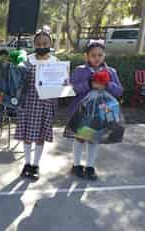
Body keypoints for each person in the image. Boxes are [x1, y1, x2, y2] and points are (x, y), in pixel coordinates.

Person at [64, 40, 123, 181]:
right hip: (82, 111)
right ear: (86, 56)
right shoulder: (80, 70)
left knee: (94, 139)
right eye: (93, 55)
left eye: (100, 55)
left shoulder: (111, 72)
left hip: (101, 112)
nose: (97, 58)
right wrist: (89, 84)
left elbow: (119, 91)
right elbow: (71, 89)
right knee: (80, 137)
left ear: (104, 56)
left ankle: (90, 167)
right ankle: (76, 165)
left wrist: (107, 84)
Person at [14, 29, 59, 181]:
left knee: (40, 136)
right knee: (27, 136)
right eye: (38, 43)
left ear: (50, 44)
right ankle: (26, 164)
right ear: (34, 44)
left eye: (45, 43)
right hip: (28, 102)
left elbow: (60, 85)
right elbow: (18, 81)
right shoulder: (27, 60)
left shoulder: (55, 62)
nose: (41, 46)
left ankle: (35, 165)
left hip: (46, 103)